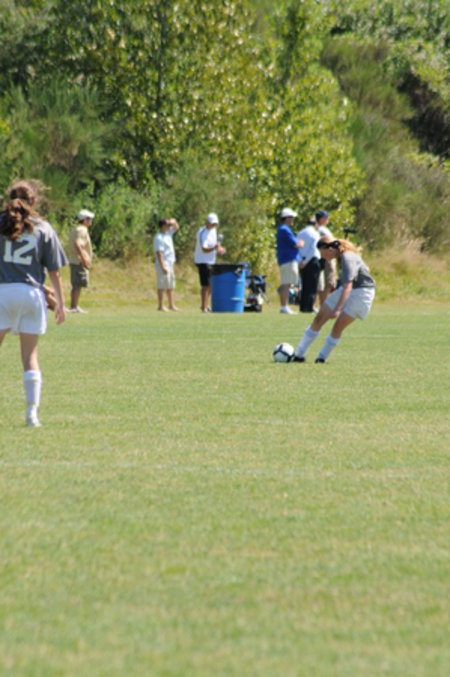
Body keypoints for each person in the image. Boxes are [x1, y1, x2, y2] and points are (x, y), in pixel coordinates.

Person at [0, 181, 66, 427]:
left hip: (2, 293)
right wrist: (60, 302)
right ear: (34, 201)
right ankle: (32, 414)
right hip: (32, 296)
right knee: (30, 356)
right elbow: (54, 271)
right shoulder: (43, 228)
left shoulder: (1, 223)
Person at [292, 236, 375, 363]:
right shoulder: (341, 256)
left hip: (362, 293)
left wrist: (337, 309)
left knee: (338, 326)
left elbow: (348, 286)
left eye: (323, 253)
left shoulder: (347, 257)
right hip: (348, 289)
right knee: (319, 318)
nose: (323, 257)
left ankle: (321, 358)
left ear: (330, 249)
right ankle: (299, 355)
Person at [194, 212, 226, 313]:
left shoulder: (213, 230)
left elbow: (215, 244)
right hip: (202, 261)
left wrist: (220, 249)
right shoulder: (202, 233)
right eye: (212, 223)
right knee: (205, 285)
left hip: (211, 261)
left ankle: (205, 305)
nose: (213, 225)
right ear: (207, 222)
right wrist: (214, 248)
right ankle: (204, 307)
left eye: (214, 224)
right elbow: (204, 249)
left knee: (210, 285)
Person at [276, 208, 304, 315]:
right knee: (286, 283)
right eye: (291, 217)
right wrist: (301, 243)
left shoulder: (283, 229)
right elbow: (296, 244)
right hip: (288, 259)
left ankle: (285, 306)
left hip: (286, 259)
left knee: (287, 283)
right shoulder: (284, 229)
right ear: (286, 218)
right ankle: (284, 306)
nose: (292, 220)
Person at [68, 209, 94, 313]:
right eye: (89, 219)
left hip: (74, 260)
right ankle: (74, 306)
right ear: (84, 220)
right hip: (78, 261)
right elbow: (78, 245)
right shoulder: (82, 230)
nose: (91, 220)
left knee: (76, 285)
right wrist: (83, 259)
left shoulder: (76, 229)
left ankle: (74, 305)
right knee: (77, 285)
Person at [296, 211, 323, 312]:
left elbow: (297, 248)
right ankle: (309, 306)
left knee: (304, 285)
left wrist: (301, 262)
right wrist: (307, 261)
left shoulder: (300, 233)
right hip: (312, 260)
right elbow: (313, 249)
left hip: (302, 261)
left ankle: (303, 306)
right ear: (315, 224)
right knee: (312, 286)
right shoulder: (315, 233)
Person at [153, 217, 179, 311]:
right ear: (163, 226)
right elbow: (159, 253)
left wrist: (173, 221)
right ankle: (161, 306)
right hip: (163, 263)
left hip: (170, 262)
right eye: (168, 225)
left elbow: (176, 227)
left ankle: (171, 305)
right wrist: (163, 266)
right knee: (162, 285)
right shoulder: (158, 237)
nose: (169, 226)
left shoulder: (168, 233)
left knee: (170, 285)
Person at [315, 210, 337, 307]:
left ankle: (322, 303)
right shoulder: (322, 230)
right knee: (329, 280)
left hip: (324, 256)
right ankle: (324, 303)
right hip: (328, 257)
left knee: (326, 282)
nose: (327, 219)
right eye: (325, 217)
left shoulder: (320, 229)